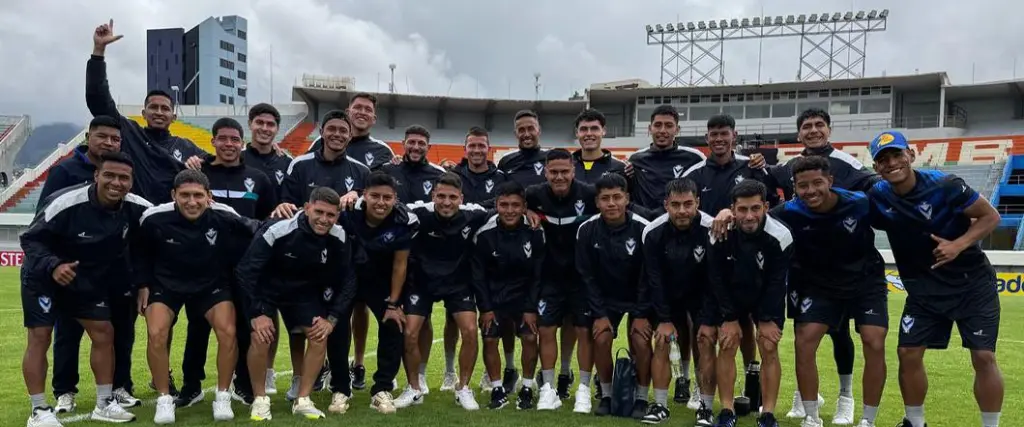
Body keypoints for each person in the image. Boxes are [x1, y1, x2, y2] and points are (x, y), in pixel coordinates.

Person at [866, 131, 1003, 427]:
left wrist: (958, 244)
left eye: (896, 155)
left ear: (911, 155)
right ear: (876, 167)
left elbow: (991, 216)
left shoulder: (946, 185)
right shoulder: (878, 195)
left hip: (972, 285)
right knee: (908, 352)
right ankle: (915, 423)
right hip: (923, 289)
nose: (891, 163)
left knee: (983, 357)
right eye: (883, 159)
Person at [20, 152, 152, 426]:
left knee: (104, 333)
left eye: (123, 178)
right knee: (40, 337)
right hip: (44, 278)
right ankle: (38, 410)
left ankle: (104, 404)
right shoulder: (66, 202)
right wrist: (54, 265)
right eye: (110, 175)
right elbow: (31, 240)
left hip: (85, 281)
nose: (116, 182)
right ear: (96, 176)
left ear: (131, 181)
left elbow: (164, 218)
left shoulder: (136, 207)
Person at [769, 108, 876, 422]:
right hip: (802, 265)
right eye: (806, 126)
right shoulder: (791, 165)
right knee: (802, 332)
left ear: (829, 129)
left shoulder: (849, 164)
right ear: (799, 133)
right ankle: (806, 395)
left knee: (839, 333)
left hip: (843, 265)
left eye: (819, 125)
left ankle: (846, 397)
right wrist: (758, 164)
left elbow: (874, 189)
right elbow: (766, 183)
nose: (813, 130)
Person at [133, 170, 261, 423]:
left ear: (209, 197)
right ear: (173, 195)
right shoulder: (153, 218)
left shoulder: (224, 215)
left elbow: (258, 231)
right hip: (166, 284)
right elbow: (139, 252)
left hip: (211, 284)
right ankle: (164, 399)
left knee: (228, 331)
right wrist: (142, 284)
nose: (192, 202)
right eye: (185, 195)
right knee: (156, 332)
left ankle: (223, 396)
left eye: (198, 195)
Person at [41, 116, 141, 413]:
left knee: (121, 333)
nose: (109, 142)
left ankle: (120, 387)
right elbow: (47, 219)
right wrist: (56, 263)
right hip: (74, 272)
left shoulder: (125, 168)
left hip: (117, 272)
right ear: (88, 137)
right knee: (68, 333)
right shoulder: (64, 171)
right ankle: (65, 391)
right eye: (102, 137)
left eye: (115, 138)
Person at [235, 187, 358, 421]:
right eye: (319, 212)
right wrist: (256, 313)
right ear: (307, 207)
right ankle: (260, 399)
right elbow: (245, 271)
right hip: (267, 289)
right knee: (261, 336)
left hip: (303, 293)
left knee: (319, 335)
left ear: (337, 216)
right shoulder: (278, 229)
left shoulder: (339, 236)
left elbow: (349, 279)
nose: (324, 219)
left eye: (331, 215)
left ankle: (303, 399)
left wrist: (331, 318)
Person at [686, 114, 779, 409]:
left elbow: (769, 204)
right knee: (702, 327)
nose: (718, 139)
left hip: (748, 258)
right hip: (706, 258)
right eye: (713, 133)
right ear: (707, 137)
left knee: (746, 322)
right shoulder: (696, 173)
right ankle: (702, 387)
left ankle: (752, 380)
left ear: (734, 135)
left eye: (723, 133)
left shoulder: (751, 167)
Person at [396, 173, 491, 410]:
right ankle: (414, 388)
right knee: (409, 333)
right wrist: (355, 198)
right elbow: (391, 204)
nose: (446, 202)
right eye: (441, 196)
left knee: (470, 330)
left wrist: (531, 212)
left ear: (461, 198)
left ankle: (464, 388)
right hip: (421, 282)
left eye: (452, 197)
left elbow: (502, 209)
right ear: (433, 195)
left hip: (458, 283)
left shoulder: (474, 214)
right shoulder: (418, 212)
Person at [326, 171, 418, 415]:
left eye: (387, 197)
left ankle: (382, 389)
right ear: (364, 195)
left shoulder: (402, 221)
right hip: (346, 279)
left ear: (395, 198)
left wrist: (394, 303)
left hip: (381, 281)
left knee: (392, 323)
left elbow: (400, 264)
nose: (380, 202)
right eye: (375, 195)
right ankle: (340, 389)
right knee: (335, 326)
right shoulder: (347, 215)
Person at [86, 19, 204, 203]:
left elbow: (218, 163)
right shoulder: (131, 134)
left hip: (170, 223)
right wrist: (98, 51)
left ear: (174, 117)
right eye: (153, 107)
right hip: (133, 218)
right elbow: (98, 100)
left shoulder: (187, 147)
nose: (158, 112)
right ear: (143, 113)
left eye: (165, 108)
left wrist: (198, 163)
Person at [708, 180, 792, 427]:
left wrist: (766, 320)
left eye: (755, 208)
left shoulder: (780, 235)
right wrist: (730, 318)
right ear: (732, 209)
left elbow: (778, 282)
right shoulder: (721, 232)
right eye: (742, 209)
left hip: (766, 295)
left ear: (766, 206)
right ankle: (726, 410)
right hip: (731, 295)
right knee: (727, 342)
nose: (749, 215)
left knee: (768, 345)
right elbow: (716, 278)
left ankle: (767, 414)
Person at [381, 125, 456, 392]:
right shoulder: (388, 171)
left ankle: (421, 374)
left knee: (420, 321)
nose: (415, 147)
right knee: (392, 318)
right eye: (411, 142)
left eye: (421, 143)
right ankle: (388, 374)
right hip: (392, 256)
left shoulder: (438, 174)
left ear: (428, 146)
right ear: (403, 143)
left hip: (426, 258)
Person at [639, 178, 717, 427]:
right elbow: (654, 278)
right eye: (675, 204)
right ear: (666, 205)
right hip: (668, 295)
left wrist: (707, 319)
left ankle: (705, 407)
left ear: (698, 203)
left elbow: (714, 278)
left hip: (702, 294)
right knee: (662, 340)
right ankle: (660, 405)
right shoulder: (652, 232)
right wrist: (663, 319)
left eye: (688, 204)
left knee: (705, 341)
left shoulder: (713, 228)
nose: (682, 210)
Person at [525, 148, 599, 410]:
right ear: (545, 172)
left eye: (564, 171)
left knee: (583, 330)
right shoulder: (533, 195)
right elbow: (502, 203)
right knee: (546, 330)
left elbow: (624, 205)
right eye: (553, 172)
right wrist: (525, 211)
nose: (559, 176)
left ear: (573, 171)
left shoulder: (589, 194)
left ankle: (583, 390)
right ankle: (548, 388)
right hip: (549, 277)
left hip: (582, 277)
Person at [575, 173, 650, 416]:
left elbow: (648, 274)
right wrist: (599, 313)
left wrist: (640, 313)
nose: (611, 203)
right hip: (605, 298)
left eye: (617, 197)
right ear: (596, 202)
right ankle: (606, 396)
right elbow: (586, 275)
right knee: (602, 337)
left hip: (638, 296)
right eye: (605, 198)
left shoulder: (643, 227)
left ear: (627, 198)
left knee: (640, 339)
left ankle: (640, 398)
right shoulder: (586, 229)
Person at [471, 181, 545, 410]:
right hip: (495, 296)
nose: (510, 210)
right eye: (504, 205)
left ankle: (526, 387)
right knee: (490, 337)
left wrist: (531, 308)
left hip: (524, 296)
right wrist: (485, 308)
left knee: (530, 337)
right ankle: (497, 389)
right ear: (496, 205)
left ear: (524, 206)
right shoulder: (484, 234)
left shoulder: (535, 231)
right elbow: (478, 275)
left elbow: (538, 274)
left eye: (515, 205)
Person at [274, 110, 367, 219]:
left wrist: (359, 196)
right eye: (331, 129)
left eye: (343, 130)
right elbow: (288, 205)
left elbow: (369, 206)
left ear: (350, 136)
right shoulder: (299, 164)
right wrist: (284, 206)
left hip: (345, 235)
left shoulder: (362, 171)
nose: (337, 134)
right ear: (321, 132)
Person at [626, 105, 706, 210]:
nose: (662, 130)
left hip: (679, 221)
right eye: (658, 125)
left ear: (677, 130)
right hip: (645, 222)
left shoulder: (695, 157)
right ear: (650, 128)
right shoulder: (636, 159)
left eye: (668, 125)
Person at [306, 93, 395, 170]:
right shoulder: (323, 140)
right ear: (347, 113)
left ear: (374, 119)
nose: (362, 112)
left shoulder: (383, 150)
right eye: (358, 107)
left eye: (368, 109)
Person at [243, 103, 293, 192]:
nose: (265, 128)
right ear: (250, 124)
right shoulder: (237, 159)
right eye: (259, 122)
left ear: (277, 129)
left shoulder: (287, 162)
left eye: (270, 124)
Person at [452, 127, 509, 204]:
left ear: (489, 149)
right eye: (472, 146)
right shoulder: (454, 177)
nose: (476, 150)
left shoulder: (501, 179)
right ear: (465, 149)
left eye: (481, 146)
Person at [571, 108, 626, 183]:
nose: (589, 134)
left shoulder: (620, 168)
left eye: (594, 128)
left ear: (603, 131)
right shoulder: (567, 167)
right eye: (584, 129)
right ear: (576, 133)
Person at [498, 110, 549, 188]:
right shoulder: (506, 162)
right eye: (521, 130)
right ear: (516, 134)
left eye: (531, 129)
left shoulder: (550, 158)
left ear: (539, 131)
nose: (527, 134)